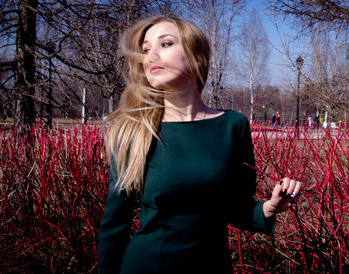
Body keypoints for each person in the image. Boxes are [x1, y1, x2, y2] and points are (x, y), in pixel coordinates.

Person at [97, 16, 302, 273]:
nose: (150, 56)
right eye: (146, 49)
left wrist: (270, 207)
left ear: (195, 55)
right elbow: (114, 226)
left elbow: (236, 207)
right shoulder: (134, 131)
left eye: (166, 44)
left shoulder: (233, 126)